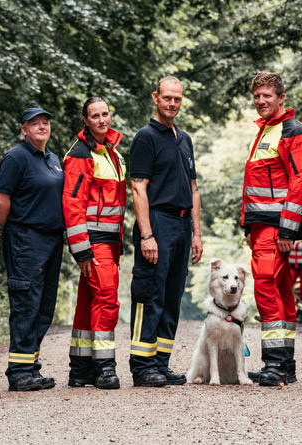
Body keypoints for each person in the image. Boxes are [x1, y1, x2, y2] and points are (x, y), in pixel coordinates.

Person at [127, 76, 203, 387]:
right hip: (157, 222)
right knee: (149, 295)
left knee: (172, 297)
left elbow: (194, 188)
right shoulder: (145, 137)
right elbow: (137, 186)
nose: (172, 103)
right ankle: (143, 367)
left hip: (182, 225)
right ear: (155, 97)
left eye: (177, 99)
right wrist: (147, 235)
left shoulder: (183, 139)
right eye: (167, 98)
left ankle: (161, 363)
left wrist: (196, 233)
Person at [241, 71, 302, 386]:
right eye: (257, 96)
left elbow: (299, 183)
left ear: (281, 98)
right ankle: (284, 365)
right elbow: (254, 185)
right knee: (281, 291)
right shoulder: (265, 131)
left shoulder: (292, 132)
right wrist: (247, 225)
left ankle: (275, 364)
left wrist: (287, 230)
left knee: (267, 288)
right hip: (261, 228)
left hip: (276, 229)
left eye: (267, 96)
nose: (261, 101)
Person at [0, 107, 65, 391]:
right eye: (35, 123)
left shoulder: (53, 159)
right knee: (26, 304)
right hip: (26, 238)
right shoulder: (16, 157)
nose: (42, 127)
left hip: (52, 239)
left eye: (45, 122)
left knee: (44, 307)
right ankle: (19, 372)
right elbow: (0, 198)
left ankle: (31, 366)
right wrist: (10, 228)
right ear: (24, 129)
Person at [62, 97, 126, 390]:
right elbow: (72, 204)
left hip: (110, 241)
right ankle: (104, 368)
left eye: (105, 114)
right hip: (93, 240)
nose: (102, 120)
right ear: (85, 121)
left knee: (88, 303)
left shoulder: (111, 153)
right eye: (95, 116)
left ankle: (81, 370)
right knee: (107, 299)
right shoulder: (80, 155)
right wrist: (81, 249)